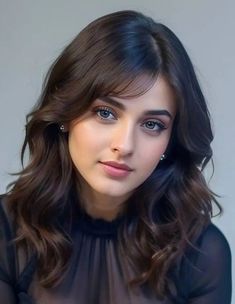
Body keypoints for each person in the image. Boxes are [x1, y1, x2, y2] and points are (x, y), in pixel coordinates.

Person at [0, 10, 232, 304]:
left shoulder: (202, 254)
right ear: (66, 115)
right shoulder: (7, 232)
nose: (124, 146)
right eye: (105, 113)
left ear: (170, 142)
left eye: (152, 125)